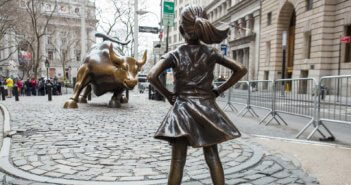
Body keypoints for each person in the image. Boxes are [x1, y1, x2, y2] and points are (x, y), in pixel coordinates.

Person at [147, 6, 247, 185]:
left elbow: (151, 76)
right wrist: (218, 91)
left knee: (177, 161)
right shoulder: (211, 52)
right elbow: (241, 70)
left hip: (181, 111)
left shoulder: (174, 54)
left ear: (181, 30)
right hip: (207, 109)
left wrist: (169, 95)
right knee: (212, 157)